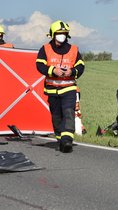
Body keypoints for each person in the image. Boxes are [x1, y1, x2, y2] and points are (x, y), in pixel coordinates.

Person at [36, 20, 85, 153]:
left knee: (69, 113)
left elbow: (81, 66)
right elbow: (39, 65)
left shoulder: (74, 49)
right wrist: (53, 70)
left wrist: (72, 71)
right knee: (56, 116)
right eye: (59, 33)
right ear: (52, 34)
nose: (61, 35)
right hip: (52, 89)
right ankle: (60, 139)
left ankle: (67, 141)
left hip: (69, 88)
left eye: (64, 33)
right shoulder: (45, 49)